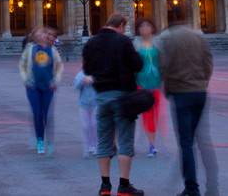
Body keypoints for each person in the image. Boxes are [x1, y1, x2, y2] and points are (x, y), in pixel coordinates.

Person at [82, 12, 144, 196]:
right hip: (123, 96)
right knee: (125, 141)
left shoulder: (91, 43)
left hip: (101, 97)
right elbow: (137, 64)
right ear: (121, 25)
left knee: (103, 142)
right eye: (124, 27)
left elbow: (87, 69)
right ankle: (124, 186)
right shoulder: (123, 41)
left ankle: (105, 186)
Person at [156, 19, 215, 196]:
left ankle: (192, 188)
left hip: (181, 93)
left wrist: (166, 88)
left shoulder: (169, 40)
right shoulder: (199, 37)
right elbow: (208, 63)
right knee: (202, 140)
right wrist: (202, 82)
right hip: (200, 92)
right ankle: (213, 186)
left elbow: (164, 66)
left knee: (186, 143)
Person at [20, 26, 62, 154]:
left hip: (48, 86)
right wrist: (25, 79)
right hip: (33, 86)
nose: (43, 36)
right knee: (37, 114)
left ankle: (48, 141)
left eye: (44, 34)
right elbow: (22, 65)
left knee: (46, 115)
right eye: (40, 34)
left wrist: (56, 80)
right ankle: (39, 140)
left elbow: (59, 66)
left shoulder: (53, 50)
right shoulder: (30, 49)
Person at [134, 19, 164, 157]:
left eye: (147, 25)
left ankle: (152, 141)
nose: (145, 28)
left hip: (156, 82)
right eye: (142, 26)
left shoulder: (159, 43)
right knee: (147, 114)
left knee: (155, 113)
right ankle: (151, 145)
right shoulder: (135, 43)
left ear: (152, 28)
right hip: (141, 83)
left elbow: (164, 61)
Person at [74, 68, 98, 159]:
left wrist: (94, 80)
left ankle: (95, 146)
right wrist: (83, 81)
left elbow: (103, 84)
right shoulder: (81, 74)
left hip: (96, 103)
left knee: (94, 125)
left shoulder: (98, 72)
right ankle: (86, 147)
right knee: (85, 126)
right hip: (83, 104)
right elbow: (76, 86)